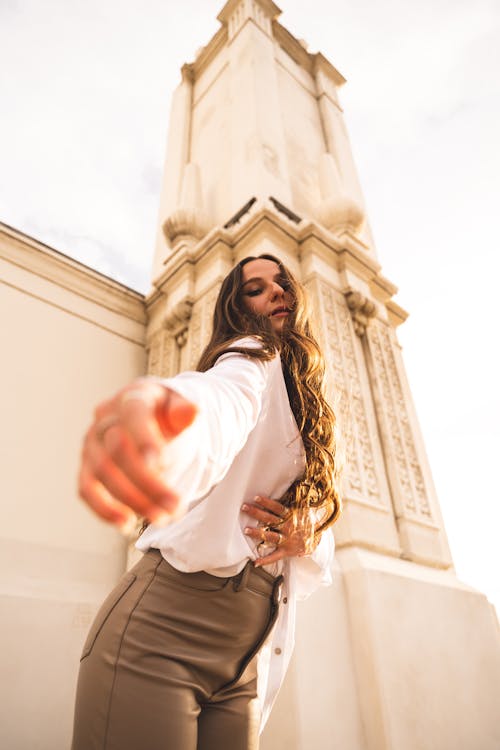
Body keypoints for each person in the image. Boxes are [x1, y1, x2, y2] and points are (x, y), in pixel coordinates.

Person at [72, 253, 342, 750]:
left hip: (242, 670)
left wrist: (307, 534)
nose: (276, 292)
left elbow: (312, 555)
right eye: (255, 289)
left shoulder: (306, 406)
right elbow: (216, 406)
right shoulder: (248, 357)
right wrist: (161, 420)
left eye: (282, 282)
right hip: (158, 639)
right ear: (238, 311)